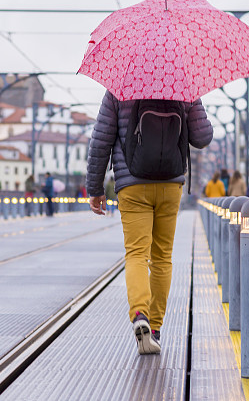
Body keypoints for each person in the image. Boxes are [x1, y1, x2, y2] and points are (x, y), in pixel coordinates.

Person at [86, 90, 212, 355]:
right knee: (162, 258)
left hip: (132, 183)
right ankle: (154, 328)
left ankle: (139, 314)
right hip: (170, 183)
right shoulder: (185, 84)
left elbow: (100, 141)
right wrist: (194, 101)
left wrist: (95, 188)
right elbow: (203, 137)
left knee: (136, 254)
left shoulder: (118, 87)